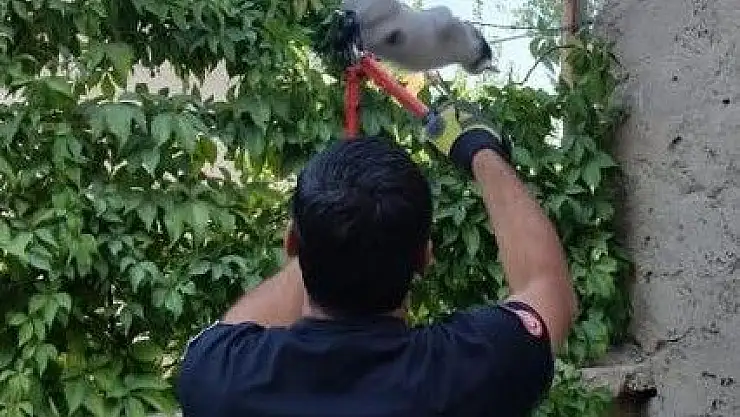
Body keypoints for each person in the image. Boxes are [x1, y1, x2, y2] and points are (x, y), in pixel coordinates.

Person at [177, 101, 578, 416]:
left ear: (291, 244)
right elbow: (546, 287)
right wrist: (480, 150)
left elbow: (237, 325)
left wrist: (333, 224)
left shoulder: (219, 377)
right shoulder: (473, 370)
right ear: (424, 257)